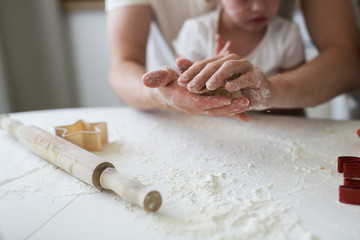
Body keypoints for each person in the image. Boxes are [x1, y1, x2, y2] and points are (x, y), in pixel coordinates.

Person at [106, 0, 360, 121]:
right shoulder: (197, 30)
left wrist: (272, 91)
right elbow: (123, 65)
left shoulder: (285, 34)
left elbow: (346, 57)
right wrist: (163, 95)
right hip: (183, 124)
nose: (258, 6)